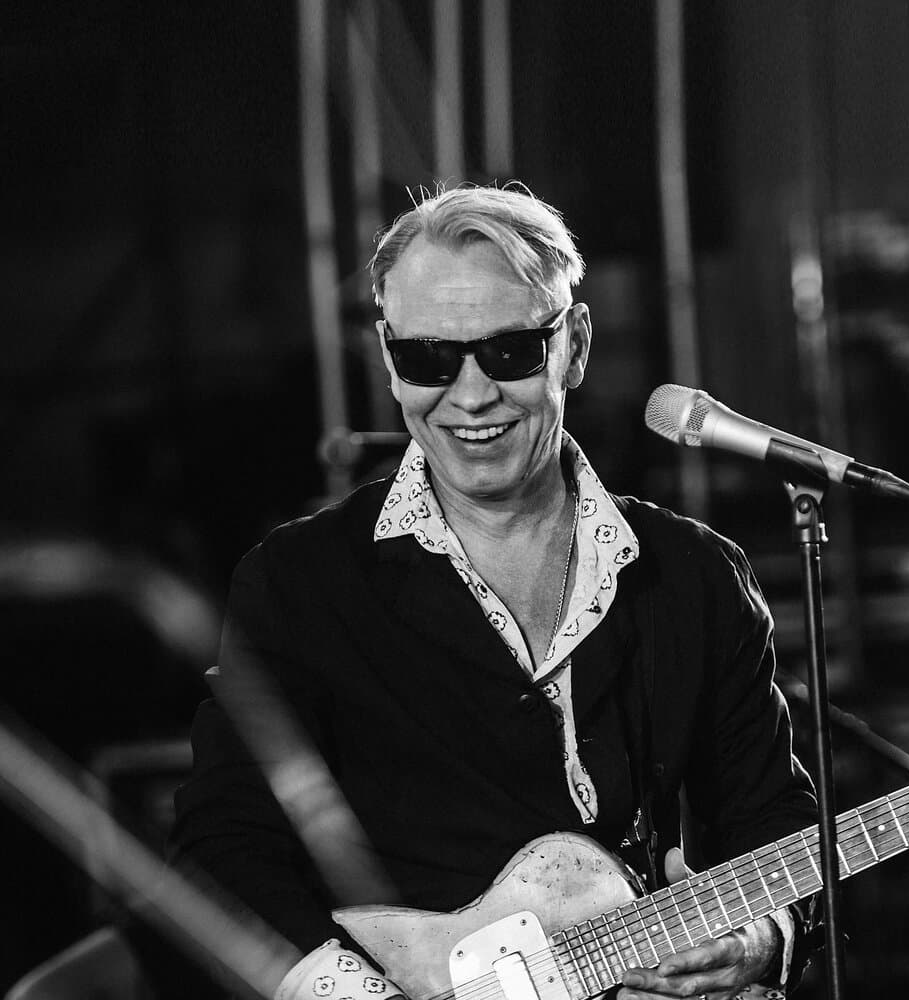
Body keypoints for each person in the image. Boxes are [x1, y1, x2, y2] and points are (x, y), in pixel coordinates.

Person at [170, 184, 819, 1000]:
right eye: (428, 359)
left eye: (511, 352)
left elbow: (772, 819)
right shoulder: (298, 583)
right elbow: (223, 843)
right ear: (388, 359)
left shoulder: (695, 576)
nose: (471, 395)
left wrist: (761, 937)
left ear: (575, 346)